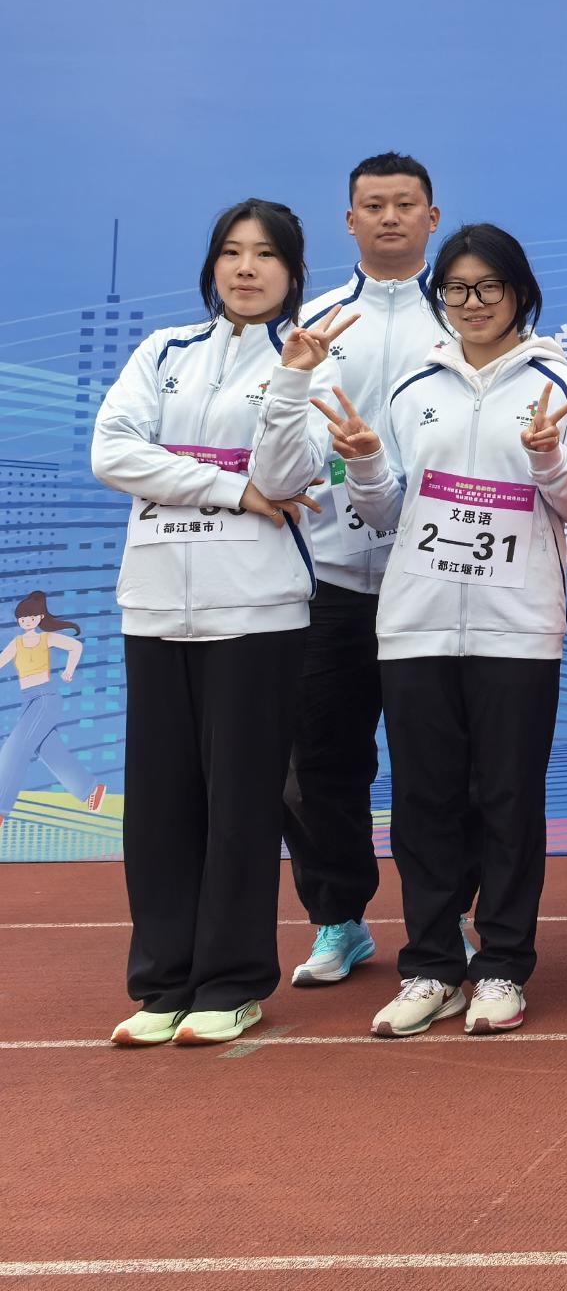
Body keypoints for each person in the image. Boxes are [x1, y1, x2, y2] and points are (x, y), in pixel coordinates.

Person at [324, 225, 567, 1037]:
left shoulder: (560, 384)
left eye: (488, 287)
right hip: (416, 624)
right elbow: (387, 511)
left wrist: (550, 458)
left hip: (516, 627)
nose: (472, 303)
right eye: (456, 289)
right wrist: (366, 463)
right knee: (423, 802)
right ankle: (431, 966)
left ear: (519, 292)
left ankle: (503, 966)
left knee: (508, 800)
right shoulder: (415, 383)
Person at [91, 199, 341, 1047]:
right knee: (160, 807)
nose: (246, 268)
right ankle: (163, 983)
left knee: (241, 804)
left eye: (265, 255)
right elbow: (112, 452)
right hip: (155, 604)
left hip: (258, 611)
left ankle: (231, 982)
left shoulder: (312, 362)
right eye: (232, 252)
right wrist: (231, 489)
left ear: (293, 272)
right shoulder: (163, 352)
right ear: (212, 267)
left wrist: (293, 381)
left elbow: (288, 472)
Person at [281, 151, 446, 991]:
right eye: (373, 206)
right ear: (348, 221)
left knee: (439, 768)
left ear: (432, 217)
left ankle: (444, 924)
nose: (389, 218)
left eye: (404, 204)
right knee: (317, 763)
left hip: (437, 576)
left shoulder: (463, 316)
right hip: (331, 578)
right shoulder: (309, 323)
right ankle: (339, 919)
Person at [1, 594, 105, 822]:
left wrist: (69, 670)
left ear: (39, 617)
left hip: (45, 699)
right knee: (49, 751)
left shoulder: (45, 638)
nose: (26, 621)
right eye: (22, 618)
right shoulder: (17, 643)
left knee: (13, 750)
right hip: (28, 701)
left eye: (30, 617)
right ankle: (91, 790)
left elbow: (75, 646)